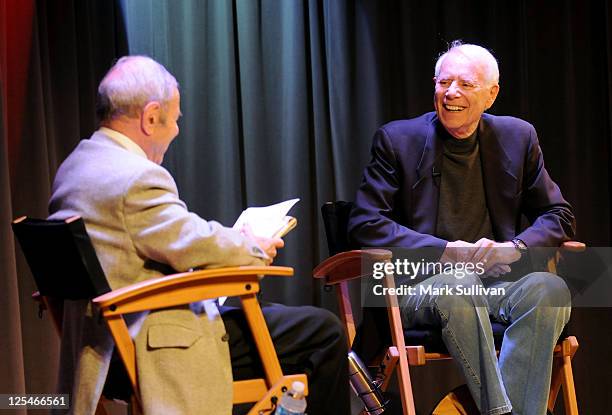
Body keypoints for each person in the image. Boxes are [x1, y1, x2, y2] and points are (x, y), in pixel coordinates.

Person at [48, 55, 349, 415]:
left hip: (101, 348)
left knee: (275, 316)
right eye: (174, 119)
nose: (175, 130)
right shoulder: (134, 178)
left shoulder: (75, 166)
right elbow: (191, 245)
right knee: (325, 332)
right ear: (151, 116)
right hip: (152, 346)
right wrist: (252, 244)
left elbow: (171, 239)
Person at [348, 41, 575, 415]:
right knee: (459, 281)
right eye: (443, 82)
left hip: (496, 283)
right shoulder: (397, 140)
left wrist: (515, 247)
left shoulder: (518, 137)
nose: (451, 92)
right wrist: (447, 251)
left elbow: (559, 214)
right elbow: (364, 223)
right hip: (419, 288)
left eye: (465, 84)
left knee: (549, 288)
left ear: (491, 95)